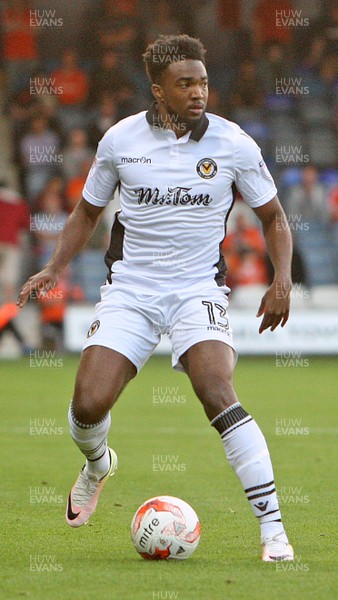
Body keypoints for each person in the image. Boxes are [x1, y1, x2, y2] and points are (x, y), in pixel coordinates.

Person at [18, 35, 294, 562]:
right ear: (158, 90)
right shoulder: (120, 140)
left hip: (198, 289)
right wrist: (54, 266)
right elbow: (87, 212)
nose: (198, 93)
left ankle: (273, 532)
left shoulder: (234, 144)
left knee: (217, 389)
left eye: (204, 83)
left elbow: (274, 217)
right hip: (132, 289)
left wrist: (281, 279)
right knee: (88, 404)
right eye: (185, 84)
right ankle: (98, 463)